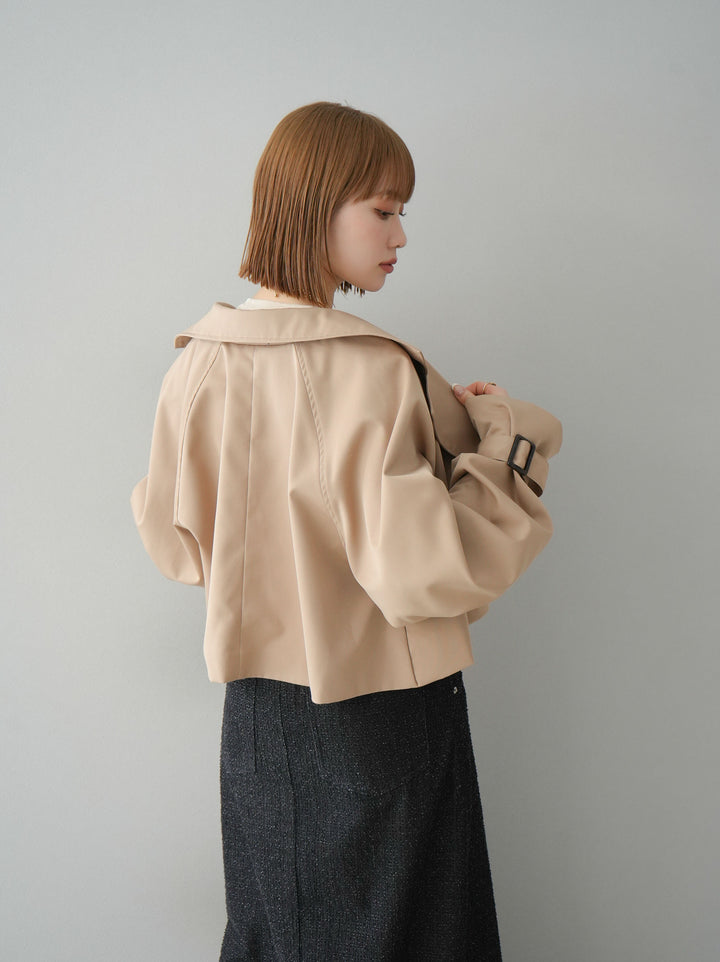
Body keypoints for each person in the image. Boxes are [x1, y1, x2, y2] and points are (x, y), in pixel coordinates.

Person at [131, 101, 562, 962]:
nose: (400, 234)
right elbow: (430, 575)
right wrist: (508, 446)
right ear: (314, 204)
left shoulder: (198, 363)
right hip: (380, 718)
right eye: (383, 208)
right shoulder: (369, 369)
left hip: (258, 723)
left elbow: (174, 544)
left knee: (277, 935)